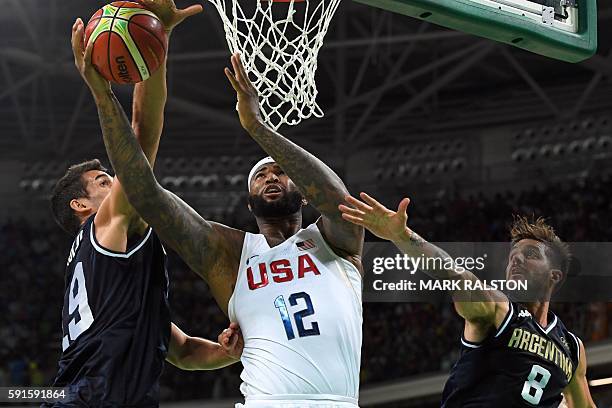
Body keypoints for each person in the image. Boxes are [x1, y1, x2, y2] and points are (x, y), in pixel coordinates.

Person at [72, 15, 365, 404]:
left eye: (280, 172)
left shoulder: (335, 241)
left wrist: (260, 130)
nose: (271, 177)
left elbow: (338, 200)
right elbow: (144, 189)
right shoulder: (229, 253)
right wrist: (103, 94)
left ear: (305, 193)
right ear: (248, 201)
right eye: (260, 176)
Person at [44, 3, 243, 406]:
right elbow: (142, 132)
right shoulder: (105, 227)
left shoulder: (116, 281)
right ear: (82, 205)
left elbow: (183, 352)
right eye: (104, 181)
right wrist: (152, 49)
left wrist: (227, 353)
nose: (117, 181)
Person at [338, 193, 597, 408]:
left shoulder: (572, 348)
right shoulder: (498, 309)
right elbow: (454, 274)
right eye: (512, 255)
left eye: (530, 254)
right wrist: (401, 236)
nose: (515, 259)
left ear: (555, 275)